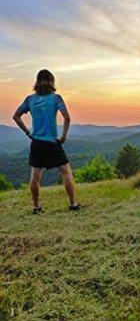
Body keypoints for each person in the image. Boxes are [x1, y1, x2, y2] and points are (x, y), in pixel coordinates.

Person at [13, 69, 81, 214]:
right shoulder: (56, 98)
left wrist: (28, 133)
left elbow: (16, 116)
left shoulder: (30, 99)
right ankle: (73, 204)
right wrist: (63, 137)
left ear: (37, 82)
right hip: (52, 142)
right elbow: (67, 118)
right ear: (52, 82)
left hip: (36, 142)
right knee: (66, 172)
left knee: (35, 176)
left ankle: (37, 207)